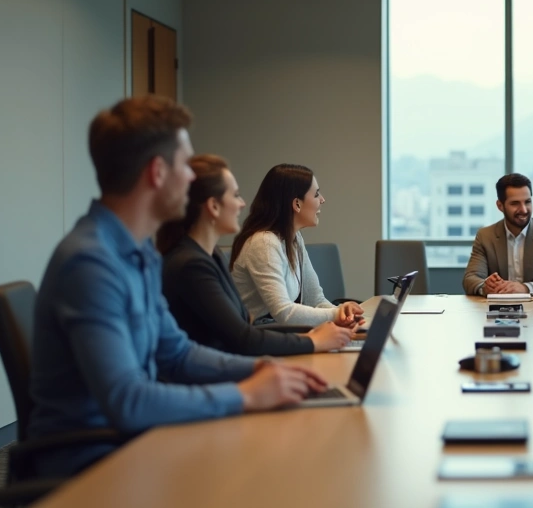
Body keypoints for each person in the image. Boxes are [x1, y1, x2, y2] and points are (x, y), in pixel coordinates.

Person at [29, 96, 328, 478]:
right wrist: (247, 393)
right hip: (91, 469)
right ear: (157, 172)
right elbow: (128, 400)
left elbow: (177, 354)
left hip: (135, 443)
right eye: (185, 166)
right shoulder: (91, 264)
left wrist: (261, 367)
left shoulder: (139, 254)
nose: (192, 179)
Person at [157, 155, 355, 355]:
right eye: (235, 195)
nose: (243, 203)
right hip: (239, 356)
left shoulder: (210, 255)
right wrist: (314, 339)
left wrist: (338, 319)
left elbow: (240, 331)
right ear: (214, 206)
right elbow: (244, 337)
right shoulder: (194, 264)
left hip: (243, 353)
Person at [230, 164, 363, 328]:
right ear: (297, 204)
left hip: (277, 331)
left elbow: (316, 300)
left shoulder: (293, 238)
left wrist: (344, 315)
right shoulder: (263, 243)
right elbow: (284, 313)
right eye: (316, 194)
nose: (322, 200)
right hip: (260, 335)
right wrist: (335, 314)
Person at [462, 173, 533, 296]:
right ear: (500, 206)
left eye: (527, 202)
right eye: (515, 203)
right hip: (497, 310)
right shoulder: (485, 236)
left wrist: (526, 288)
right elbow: (470, 278)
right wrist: (485, 287)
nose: (523, 209)